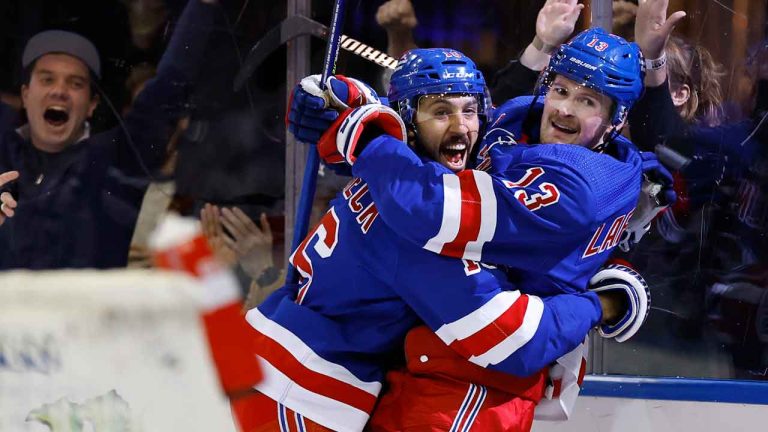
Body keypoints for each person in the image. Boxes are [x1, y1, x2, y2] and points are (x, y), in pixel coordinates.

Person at [195, 42, 657, 431]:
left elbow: (380, 133)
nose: (461, 129)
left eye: (470, 110)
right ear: (408, 120)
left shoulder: (401, 168)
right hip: (300, 392)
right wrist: (601, 303)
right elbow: (513, 340)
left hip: (279, 362)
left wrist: (342, 100)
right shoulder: (420, 226)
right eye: (440, 112)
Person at [0, 0, 217, 269]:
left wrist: (203, 6)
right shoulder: (4, 153)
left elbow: (168, 87)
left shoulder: (112, 160)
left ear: (92, 105)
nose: (59, 90)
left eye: (75, 83)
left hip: (90, 310)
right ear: (24, 95)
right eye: (47, 79)